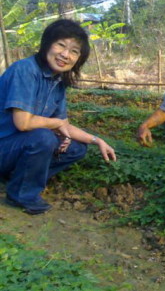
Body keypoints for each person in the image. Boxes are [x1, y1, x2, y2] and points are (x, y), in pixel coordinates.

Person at [0, 19, 116, 215]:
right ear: (47, 44)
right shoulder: (25, 70)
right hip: (4, 144)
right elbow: (23, 123)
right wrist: (54, 124)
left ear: (79, 59)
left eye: (74, 51)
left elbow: (64, 126)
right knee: (43, 138)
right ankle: (21, 194)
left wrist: (97, 140)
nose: (65, 54)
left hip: (14, 149)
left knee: (76, 148)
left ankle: (19, 177)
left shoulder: (57, 81)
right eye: (61, 45)